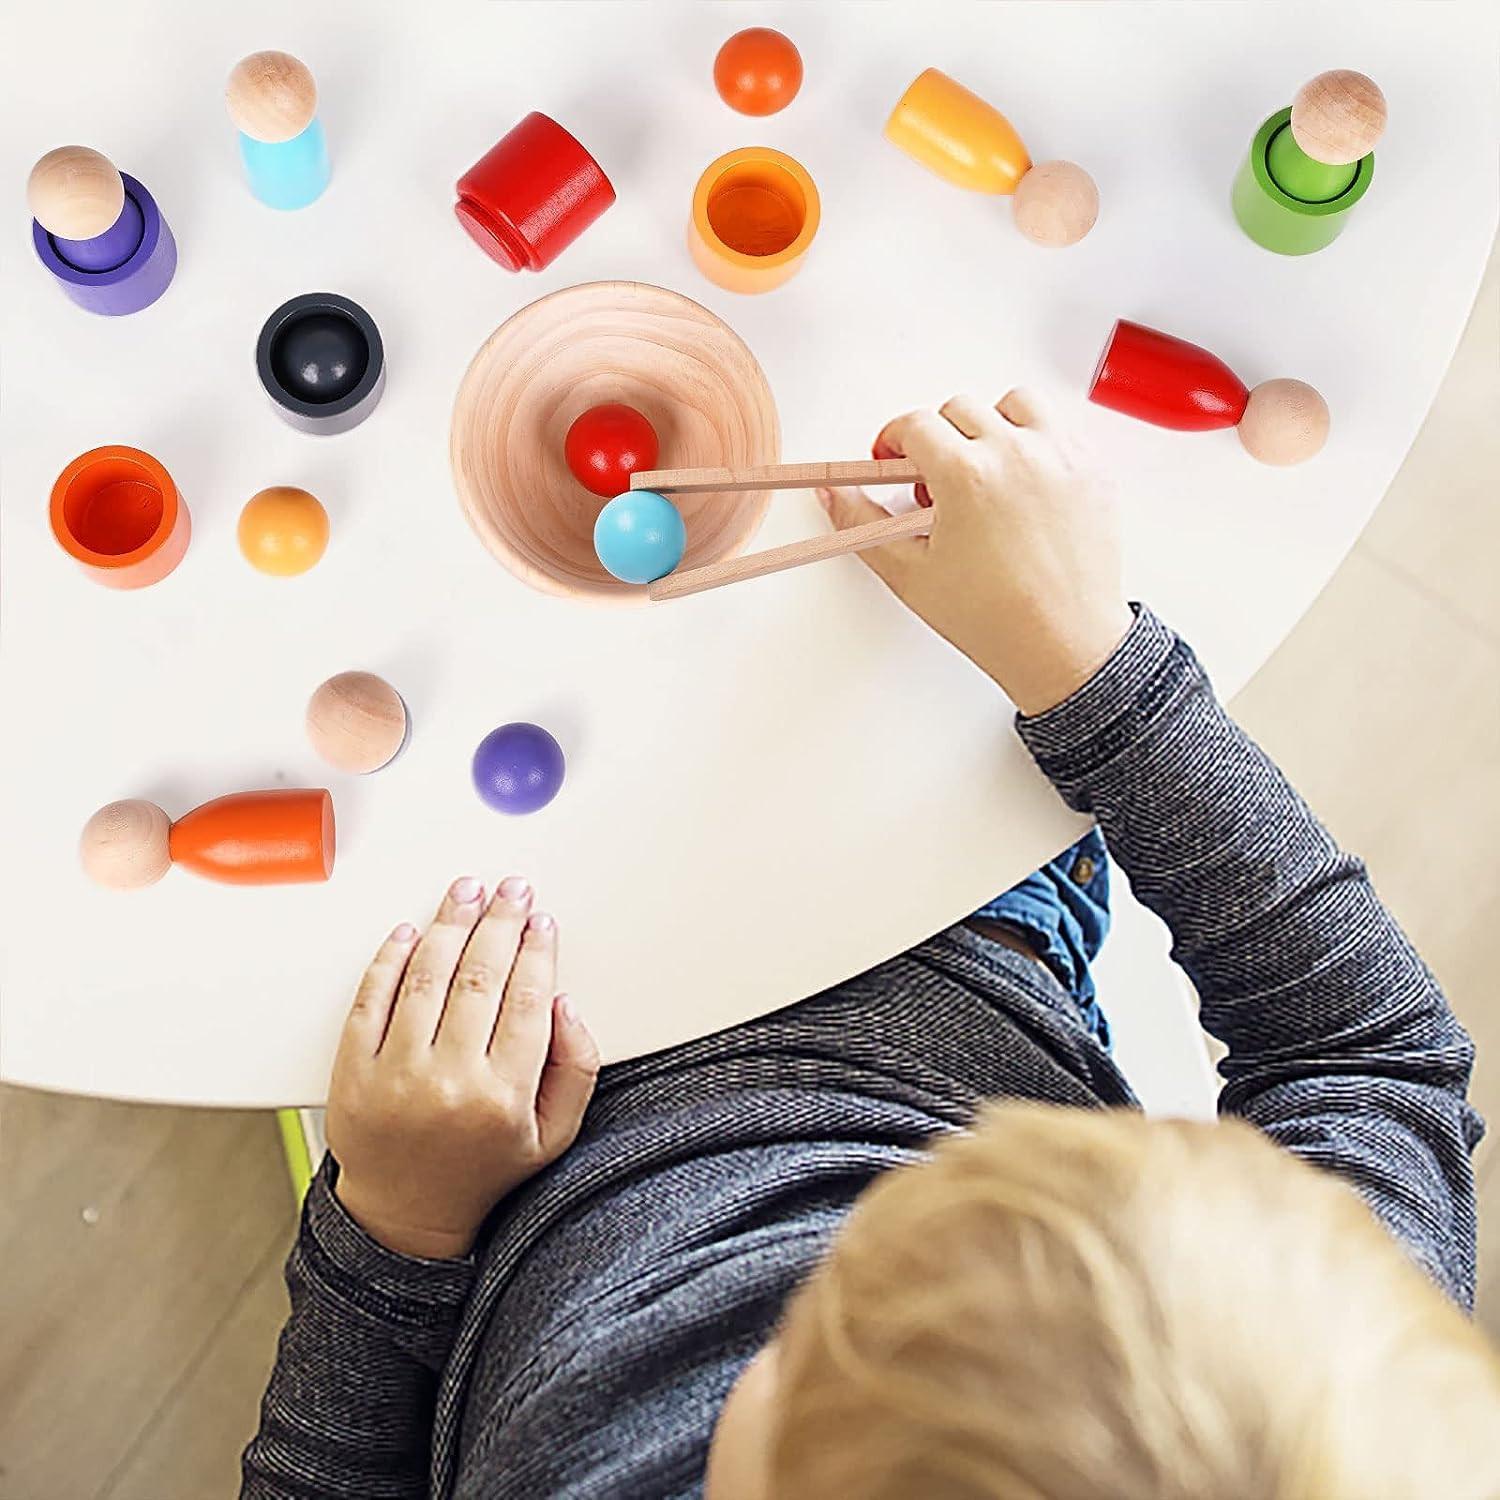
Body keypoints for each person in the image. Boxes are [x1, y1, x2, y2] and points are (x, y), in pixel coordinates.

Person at [242, 392, 1500, 1500]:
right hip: (959, 949)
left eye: (778, 1354)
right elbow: (1369, 1053)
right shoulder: (1316, 1392)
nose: (817, 1247)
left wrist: (395, 1225)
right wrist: (1091, 666)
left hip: (489, 1119)